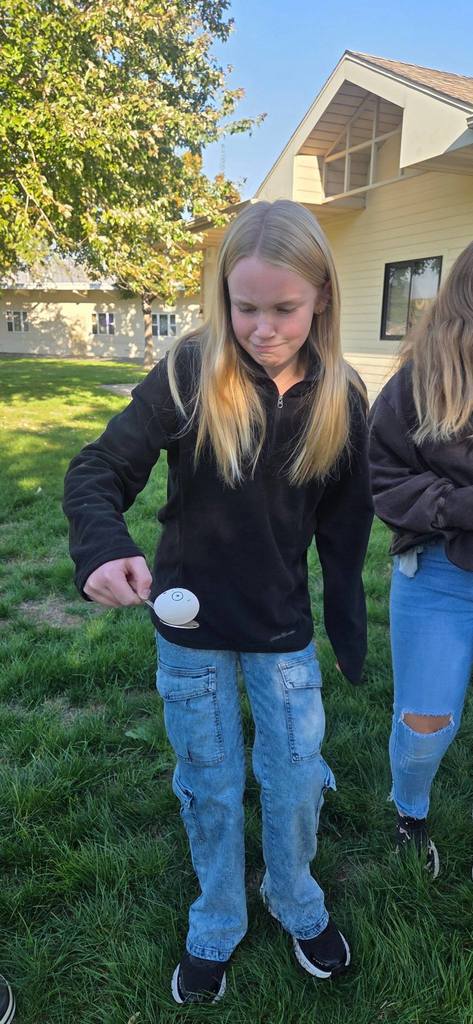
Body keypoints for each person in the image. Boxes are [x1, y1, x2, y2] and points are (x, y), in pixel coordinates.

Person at [63, 199, 373, 1004]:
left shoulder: (341, 393)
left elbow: (345, 527)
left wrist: (346, 630)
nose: (263, 328)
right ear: (222, 299)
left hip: (281, 630)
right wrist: (103, 549)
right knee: (207, 779)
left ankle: (296, 898)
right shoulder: (189, 371)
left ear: (321, 300)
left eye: (285, 309)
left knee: (297, 777)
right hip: (189, 628)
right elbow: (97, 471)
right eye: (245, 308)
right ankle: (216, 920)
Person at [369, 242, 473, 878]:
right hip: (440, 572)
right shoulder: (419, 381)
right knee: (425, 724)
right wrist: (463, 505)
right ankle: (410, 809)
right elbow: (383, 480)